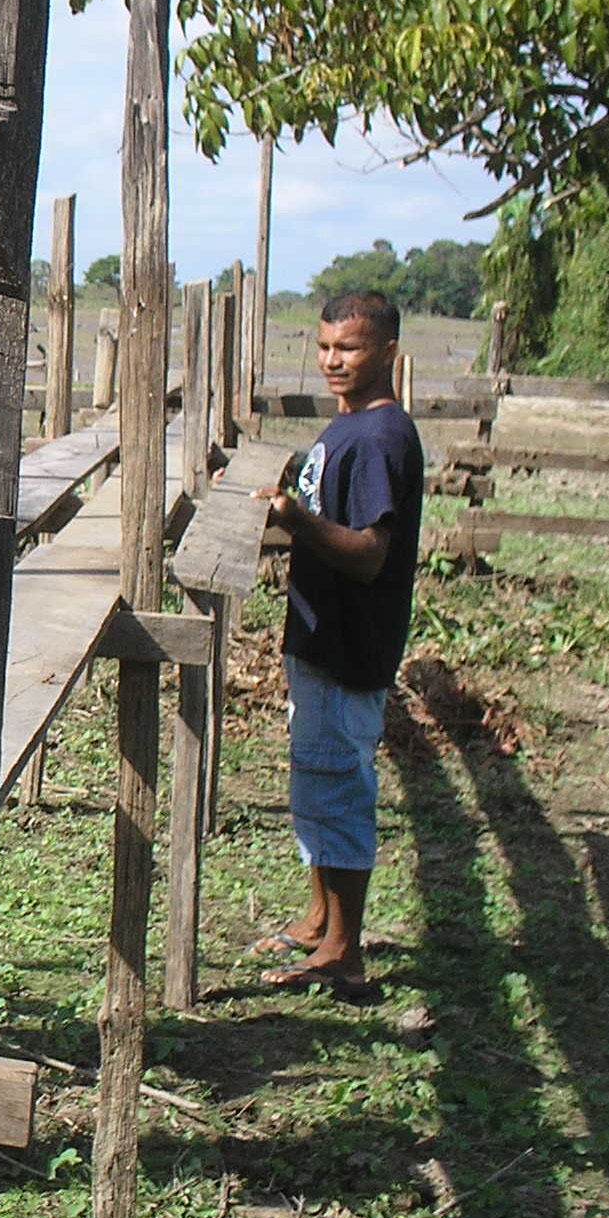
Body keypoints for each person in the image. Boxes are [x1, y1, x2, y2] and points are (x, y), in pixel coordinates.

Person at [252, 288, 424, 994]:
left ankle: (343, 952)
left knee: (338, 786)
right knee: (315, 782)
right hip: (322, 636)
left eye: (348, 348)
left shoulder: (380, 437)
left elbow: (368, 553)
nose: (332, 361)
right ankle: (319, 918)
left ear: (386, 352)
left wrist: (294, 520)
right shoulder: (346, 428)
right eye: (324, 347)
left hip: (350, 644)